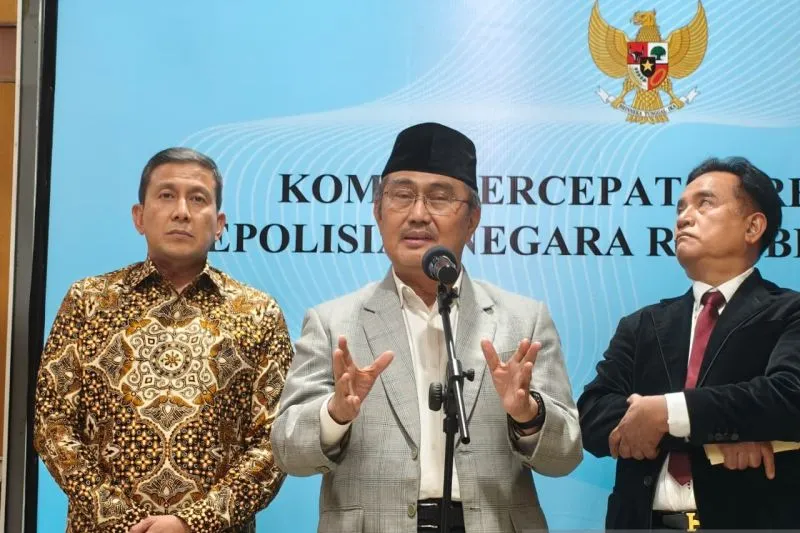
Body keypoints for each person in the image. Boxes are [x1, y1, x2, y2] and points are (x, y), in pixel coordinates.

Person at [272, 122, 582, 533]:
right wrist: (335, 415)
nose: (418, 214)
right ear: (377, 212)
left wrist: (528, 415)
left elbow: (565, 456)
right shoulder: (332, 322)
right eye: (402, 195)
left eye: (439, 198)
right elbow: (288, 452)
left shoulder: (524, 319)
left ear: (472, 219)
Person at [34, 148, 293, 533]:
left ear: (219, 223)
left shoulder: (257, 313)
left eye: (198, 199)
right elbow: (52, 424)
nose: (182, 212)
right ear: (139, 216)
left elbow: (275, 440)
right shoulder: (89, 302)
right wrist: (124, 521)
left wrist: (192, 523)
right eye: (167, 195)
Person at [578, 157, 800, 530]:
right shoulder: (642, 324)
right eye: (680, 208)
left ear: (753, 226)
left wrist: (666, 413)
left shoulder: (790, 312)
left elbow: (788, 397)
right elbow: (593, 416)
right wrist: (721, 435)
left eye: (704, 204)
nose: (683, 218)